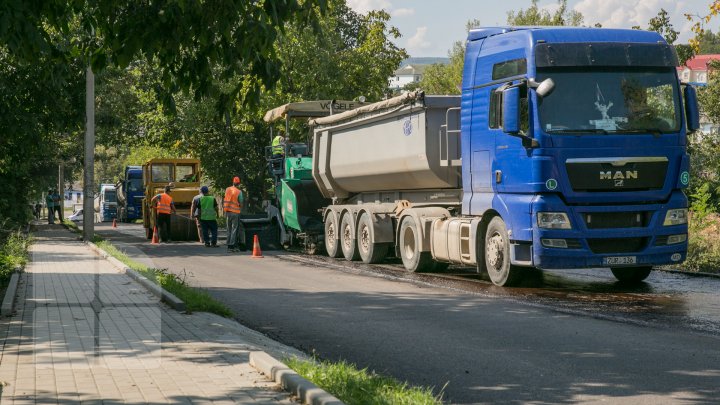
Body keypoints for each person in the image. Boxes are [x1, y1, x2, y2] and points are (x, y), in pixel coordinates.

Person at [223, 176, 246, 252]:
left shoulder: (227, 189)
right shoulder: (239, 192)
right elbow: (241, 202)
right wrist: (241, 208)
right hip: (235, 213)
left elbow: (226, 198)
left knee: (229, 229)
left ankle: (229, 244)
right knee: (234, 230)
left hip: (227, 212)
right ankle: (231, 246)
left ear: (233, 182)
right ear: (239, 184)